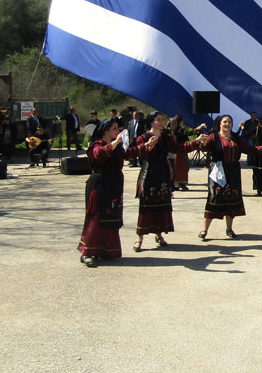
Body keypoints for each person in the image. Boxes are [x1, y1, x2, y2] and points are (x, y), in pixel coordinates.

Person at [127, 111, 195, 252]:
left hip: (163, 175)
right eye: (158, 120)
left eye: (162, 120)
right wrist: (148, 146)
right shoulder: (143, 137)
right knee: (146, 208)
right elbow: (137, 153)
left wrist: (197, 142)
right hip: (149, 175)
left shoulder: (166, 137)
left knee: (161, 206)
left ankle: (158, 235)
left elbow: (179, 148)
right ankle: (139, 239)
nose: (161, 122)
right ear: (151, 122)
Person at [195, 114, 262, 239]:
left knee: (231, 199)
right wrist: (202, 143)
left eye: (229, 122)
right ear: (220, 124)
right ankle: (204, 229)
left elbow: (249, 149)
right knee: (214, 199)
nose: (227, 124)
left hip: (233, 171)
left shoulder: (236, 137)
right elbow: (205, 147)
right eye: (225, 122)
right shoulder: (213, 137)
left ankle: (229, 229)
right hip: (218, 172)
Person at [78, 119, 127, 267]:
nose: (117, 132)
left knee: (110, 216)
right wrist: (116, 142)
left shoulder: (117, 146)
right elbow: (99, 155)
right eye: (114, 129)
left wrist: (147, 146)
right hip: (99, 185)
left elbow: (129, 153)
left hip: (114, 185)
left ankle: (106, 250)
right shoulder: (97, 145)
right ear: (106, 131)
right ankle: (87, 252)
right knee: (96, 217)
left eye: (118, 129)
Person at [169, 114, 192, 190]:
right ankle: (180, 183)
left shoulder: (175, 130)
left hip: (180, 150)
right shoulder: (178, 130)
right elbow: (189, 133)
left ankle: (177, 183)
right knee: (181, 167)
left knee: (181, 167)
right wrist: (199, 127)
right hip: (180, 151)